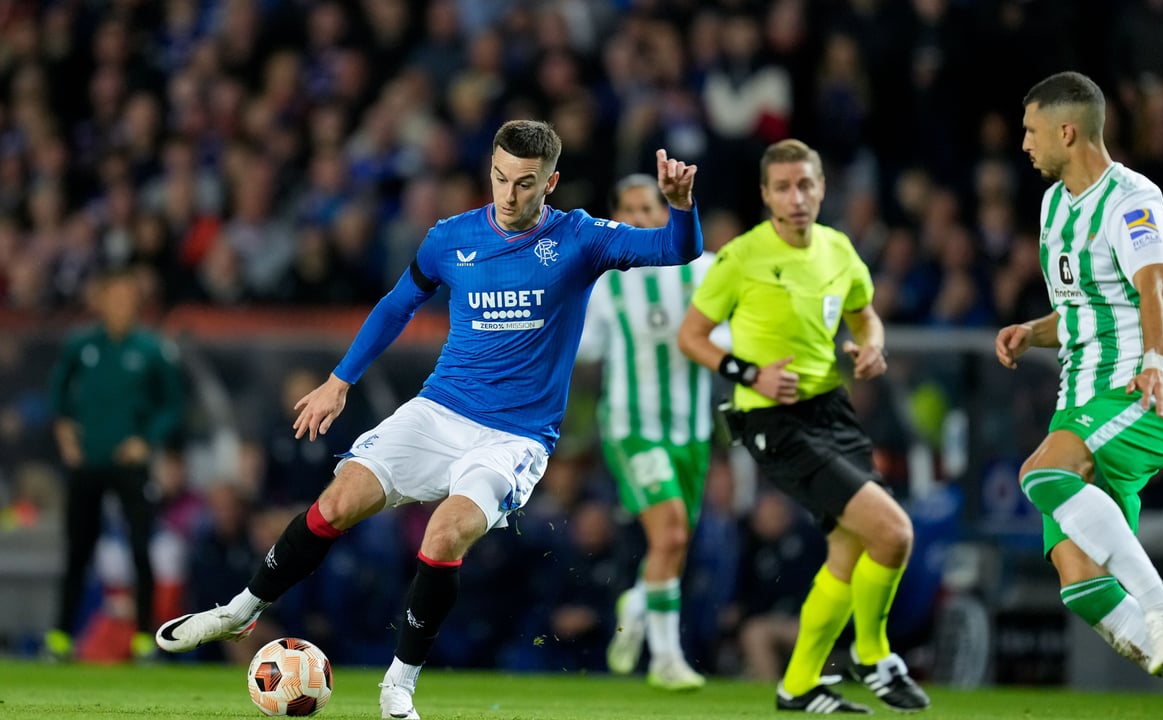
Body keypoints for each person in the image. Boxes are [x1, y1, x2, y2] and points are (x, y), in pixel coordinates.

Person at [154, 120, 702, 720]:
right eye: (499, 178)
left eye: (525, 183)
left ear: (551, 183)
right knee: (336, 503)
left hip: (513, 438)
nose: (509, 194)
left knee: (444, 534)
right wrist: (339, 381)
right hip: (439, 411)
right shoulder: (450, 238)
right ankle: (239, 611)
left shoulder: (580, 238)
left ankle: (399, 684)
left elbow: (677, 250)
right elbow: (397, 306)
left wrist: (681, 207)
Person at [997, 71, 1163, 720]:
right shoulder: (1054, 206)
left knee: (1040, 475)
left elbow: (1155, 284)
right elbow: (1086, 307)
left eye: (1031, 130)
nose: (1023, 143)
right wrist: (1033, 332)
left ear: (1067, 131)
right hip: (1081, 398)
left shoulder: (1131, 199)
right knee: (1082, 583)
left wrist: (1155, 364)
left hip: (1140, 390)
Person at [677, 138, 929, 714]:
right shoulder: (740, 257)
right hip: (771, 419)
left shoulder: (838, 249)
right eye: (784, 187)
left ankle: (798, 684)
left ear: (821, 188)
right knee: (893, 532)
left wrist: (872, 348)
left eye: (805, 185)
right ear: (766, 195)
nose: (796, 197)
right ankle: (872, 654)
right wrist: (751, 374)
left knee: (848, 550)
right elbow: (691, 337)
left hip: (831, 410)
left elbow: (865, 316)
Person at [577, 174, 715, 690]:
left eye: (647, 208)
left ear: (665, 211)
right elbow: (587, 346)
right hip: (632, 427)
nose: (638, 218)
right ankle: (666, 660)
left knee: (673, 545)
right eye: (628, 211)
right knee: (671, 532)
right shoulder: (602, 279)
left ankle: (637, 602)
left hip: (693, 430)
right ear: (615, 218)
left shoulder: (705, 267)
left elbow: (730, 329)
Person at [46, 266, 186, 662]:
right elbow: (58, 393)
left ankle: (144, 638)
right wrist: (65, 435)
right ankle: (60, 636)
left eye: (129, 298)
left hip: (129, 464)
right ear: (102, 301)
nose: (122, 305)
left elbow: (173, 404)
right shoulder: (82, 345)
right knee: (78, 549)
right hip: (87, 461)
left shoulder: (151, 349)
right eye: (116, 297)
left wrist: (147, 439)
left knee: (141, 547)